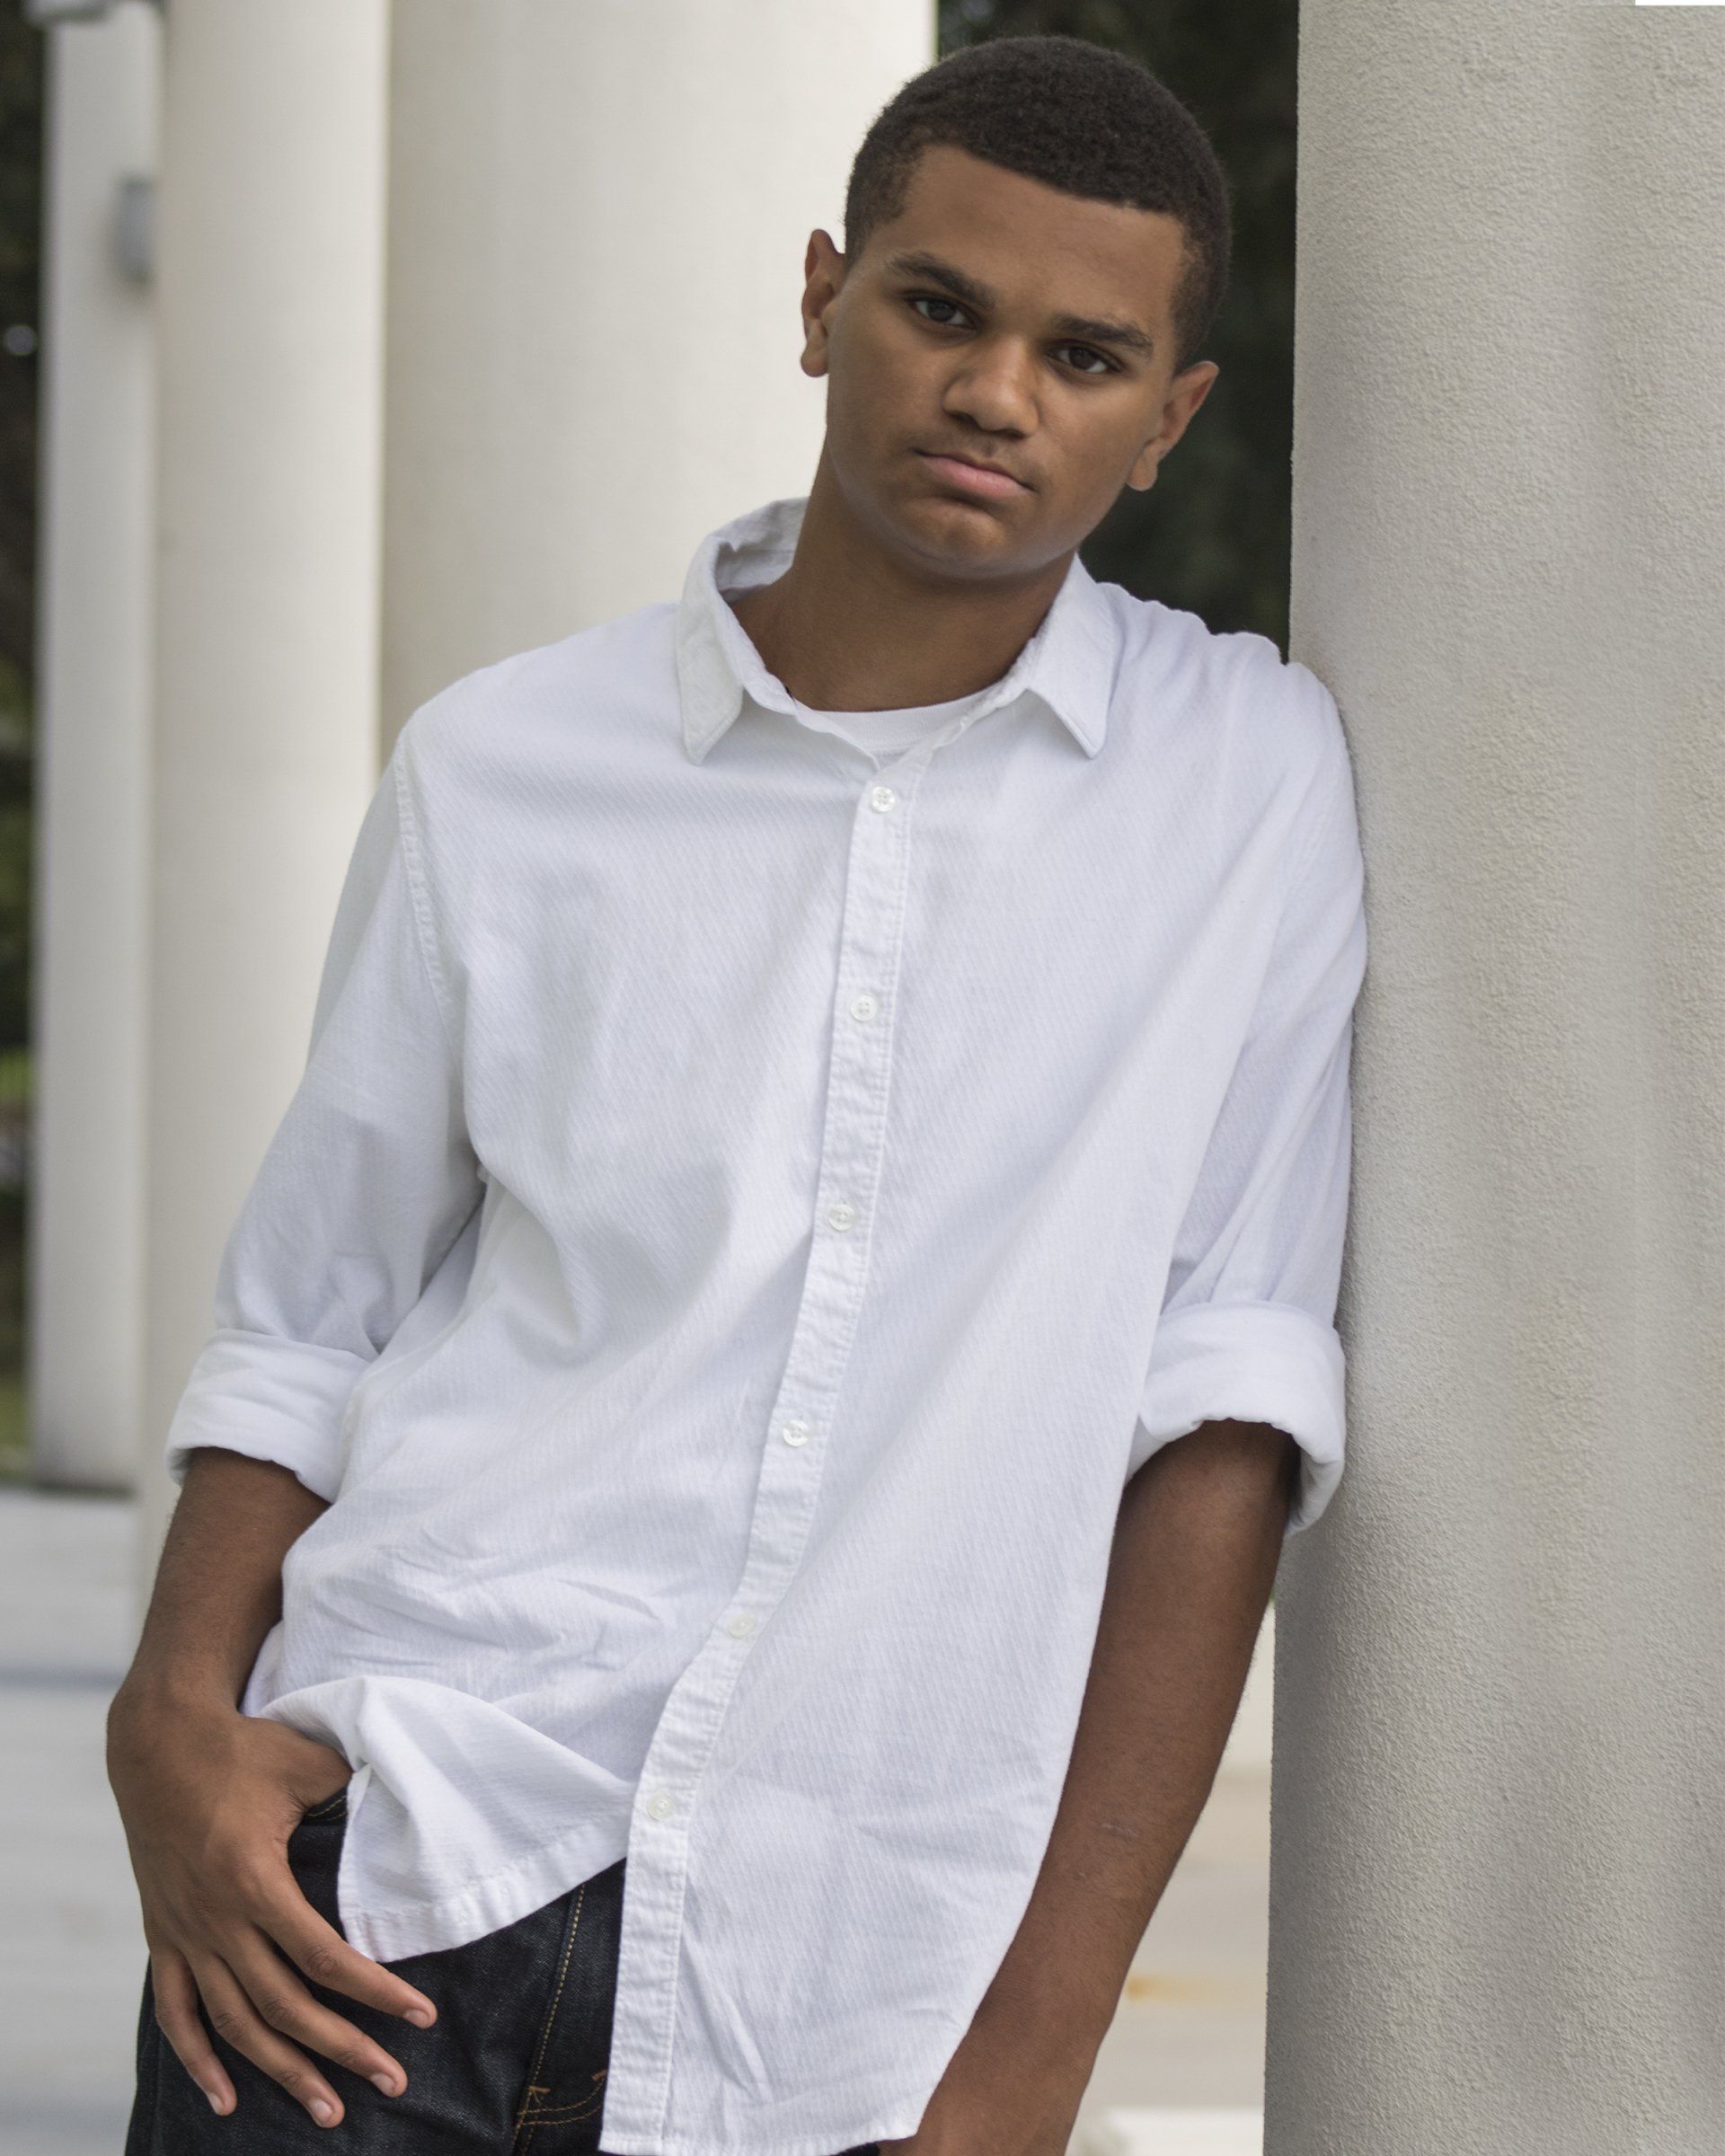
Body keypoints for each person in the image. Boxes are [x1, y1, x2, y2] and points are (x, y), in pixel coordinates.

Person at [111, 31, 1367, 2156]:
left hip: (844, 1995)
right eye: (940, 308)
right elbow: (317, 1307)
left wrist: (1024, 2078)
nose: (995, 395)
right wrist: (170, 1719)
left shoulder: (1247, 789)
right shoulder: (505, 765)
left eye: (1085, 357)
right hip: (375, 1896)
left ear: (1170, 422)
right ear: (822, 297)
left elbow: (1221, 1424)